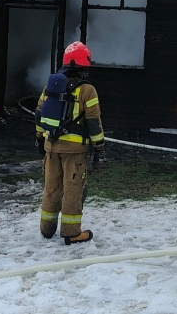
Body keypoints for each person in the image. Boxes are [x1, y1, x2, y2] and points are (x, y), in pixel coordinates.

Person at [35, 41, 105, 244]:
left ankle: (47, 229)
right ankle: (71, 232)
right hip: (74, 151)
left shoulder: (50, 86)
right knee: (73, 190)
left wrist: (40, 139)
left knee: (51, 188)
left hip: (51, 146)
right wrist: (99, 147)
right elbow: (93, 122)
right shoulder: (87, 90)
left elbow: (39, 115)